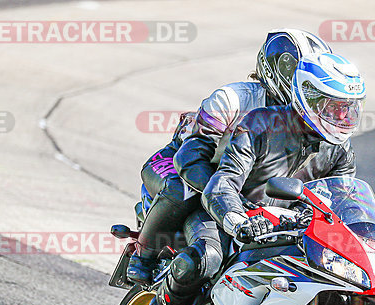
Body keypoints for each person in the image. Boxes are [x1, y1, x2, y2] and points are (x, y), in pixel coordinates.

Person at [140, 52, 367, 305]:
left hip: (286, 229)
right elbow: (223, 183)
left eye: (349, 109)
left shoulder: (340, 150)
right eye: (334, 107)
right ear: (308, 98)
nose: (343, 117)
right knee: (206, 259)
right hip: (225, 214)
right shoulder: (261, 124)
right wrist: (236, 218)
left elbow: (344, 201)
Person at [126, 29, 332, 284]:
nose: (301, 82)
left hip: (237, 183)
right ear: (274, 69)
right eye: (296, 73)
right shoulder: (232, 98)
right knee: (182, 190)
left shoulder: (317, 118)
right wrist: (229, 200)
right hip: (181, 164)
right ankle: (143, 255)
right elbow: (191, 157)